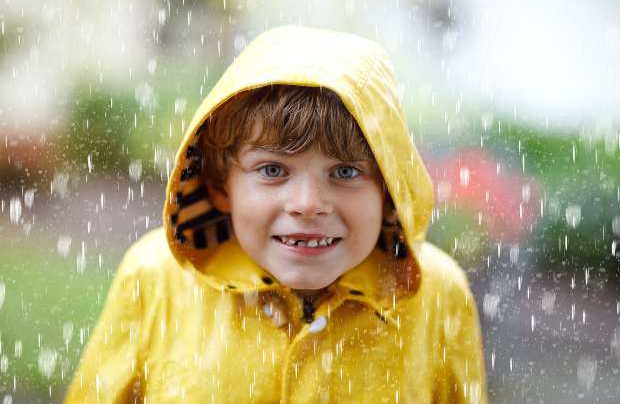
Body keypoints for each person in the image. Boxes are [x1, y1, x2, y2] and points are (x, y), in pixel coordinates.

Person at [65, 26, 487, 404]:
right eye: (272, 170)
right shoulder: (154, 278)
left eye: (344, 171)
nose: (307, 203)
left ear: (389, 190)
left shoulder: (437, 294)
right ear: (220, 184)